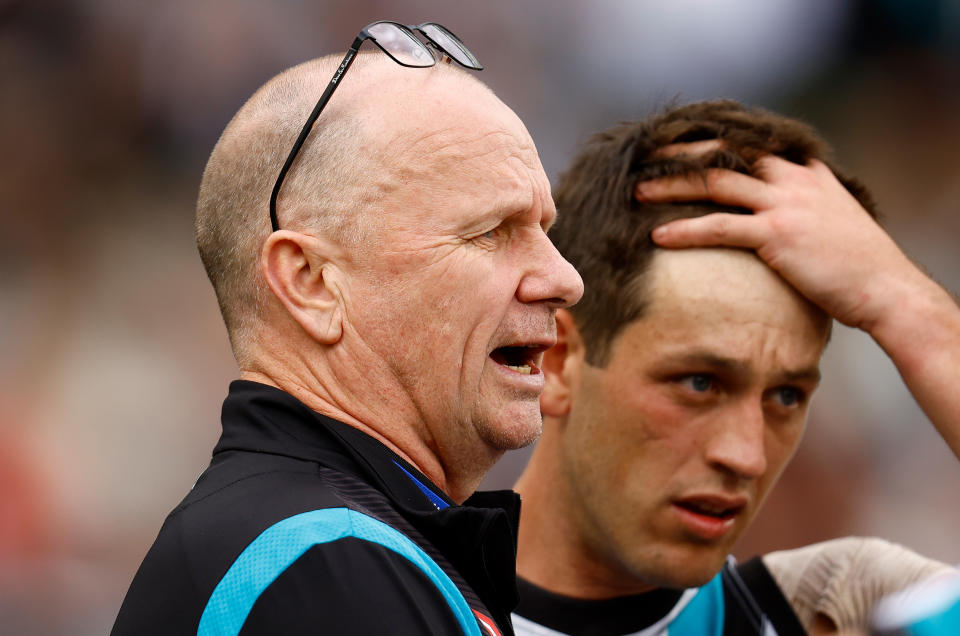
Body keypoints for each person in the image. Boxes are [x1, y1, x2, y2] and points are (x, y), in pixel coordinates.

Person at [112, 21, 582, 636]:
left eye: (544, 230)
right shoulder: (321, 565)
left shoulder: (339, 549)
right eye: (490, 231)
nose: (564, 278)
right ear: (310, 283)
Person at [511, 100, 960, 635]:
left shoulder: (842, 609)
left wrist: (906, 306)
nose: (745, 456)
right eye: (700, 383)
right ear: (558, 362)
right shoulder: (396, 590)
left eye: (787, 396)